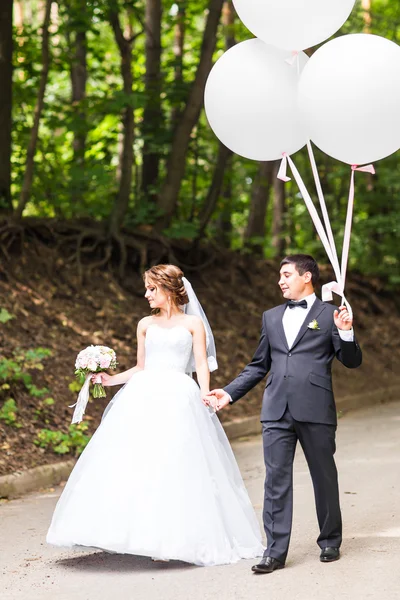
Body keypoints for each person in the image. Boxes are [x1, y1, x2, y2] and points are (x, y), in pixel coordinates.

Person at [47, 264, 264, 566]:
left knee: (174, 463)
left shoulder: (193, 323)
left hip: (179, 395)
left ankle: (176, 537)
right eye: (147, 288)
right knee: (136, 462)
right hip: (143, 394)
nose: (146, 294)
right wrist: (109, 379)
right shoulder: (144, 324)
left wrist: (205, 391)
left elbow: (200, 362)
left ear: (168, 289)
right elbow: (141, 367)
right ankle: (133, 533)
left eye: (152, 288)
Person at [205, 254, 362, 574]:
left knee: (324, 476)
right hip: (276, 408)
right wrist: (230, 392)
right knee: (275, 481)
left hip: (315, 407)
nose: (281, 280)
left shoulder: (331, 314)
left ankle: (330, 540)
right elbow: (258, 365)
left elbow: (352, 360)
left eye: (287, 274)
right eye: (280, 275)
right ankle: (274, 552)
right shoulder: (271, 317)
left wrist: (346, 333)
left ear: (307, 277)